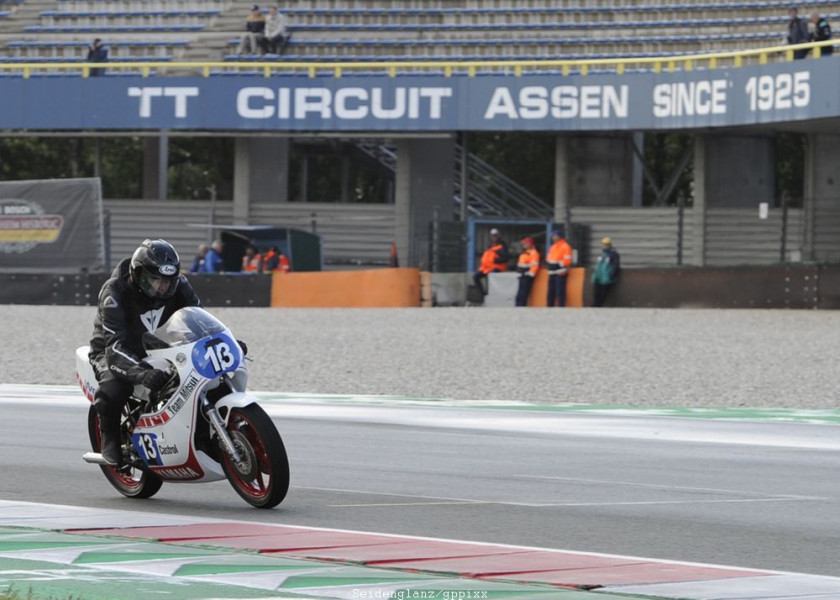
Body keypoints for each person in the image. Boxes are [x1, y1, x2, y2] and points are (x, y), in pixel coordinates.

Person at [88, 239, 201, 465]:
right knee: (115, 387)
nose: (162, 287)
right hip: (114, 350)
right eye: (155, 280)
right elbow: (114, 347)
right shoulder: (114, 293)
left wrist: (223, 341)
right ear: (138, 275)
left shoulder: (179, 286)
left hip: (158, 345)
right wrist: (141, 373)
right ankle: (109, 438)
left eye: (168, 281)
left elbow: (198, 319)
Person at [473, 227, 509, 296]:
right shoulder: (490, 245)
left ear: (498, 235)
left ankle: (490, 293)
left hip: (497, 267)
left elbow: (505, 258)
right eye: (492, 235)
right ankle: (482, 294)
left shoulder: (502, 246)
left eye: (495, 235)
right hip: (486, 268)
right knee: (476, 277)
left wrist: (495, 261)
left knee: (490, 276)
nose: (494, 237)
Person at [592, 237, 620, 307]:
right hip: (599, 276)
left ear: (610, 244)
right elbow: (598, 265)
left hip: (606, 277)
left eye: (606, 244)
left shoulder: (614, 254)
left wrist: (611, 275)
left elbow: (616, 265)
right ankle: (595, 304)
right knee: (596, 291)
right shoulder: (601, 254)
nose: (605, 246)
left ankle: (599, 305)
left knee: (603, 292)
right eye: (604, 244)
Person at [514, 237, 540, 307]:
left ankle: (522, 306)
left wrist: (529, 274)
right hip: (521, 275)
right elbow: (520, 264)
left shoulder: (534, 253)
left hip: (527, 276)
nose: (525, 245)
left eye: (526, 243)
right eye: (524, 243)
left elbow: (535, 265)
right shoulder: (524, 252)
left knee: (524, 293)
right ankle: (518, 305)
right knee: (519, 292)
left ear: (531, 244)